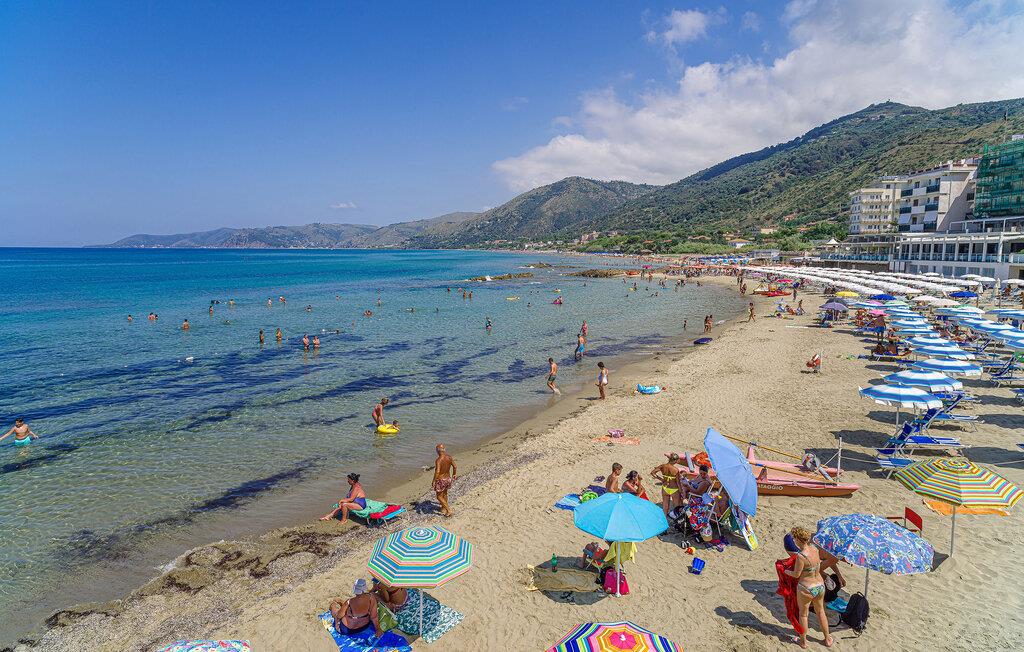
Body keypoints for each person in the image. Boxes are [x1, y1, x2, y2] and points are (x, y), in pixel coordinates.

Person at [784, 526, 834, 649]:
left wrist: (786, 571)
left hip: (806, 588)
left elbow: (796, 574)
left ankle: (803, 642)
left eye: (794, 539)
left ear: (798, 540)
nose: (794, 541)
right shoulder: (815, 549)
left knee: (803, 615)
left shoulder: (801, 556)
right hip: (820, 585)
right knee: (821, 612)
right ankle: (827, 639)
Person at [433, 443, 457, 517]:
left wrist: (434, 480)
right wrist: (454, 474)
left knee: (439, 496)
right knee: (445, 494)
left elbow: (437, 471)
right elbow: (455, 466)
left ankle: (448, 510)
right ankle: (443, 508)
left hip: (441, 480)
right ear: (444, 449)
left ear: (437, 451)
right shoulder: (449, 457)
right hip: (448, 478)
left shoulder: (439, 460)